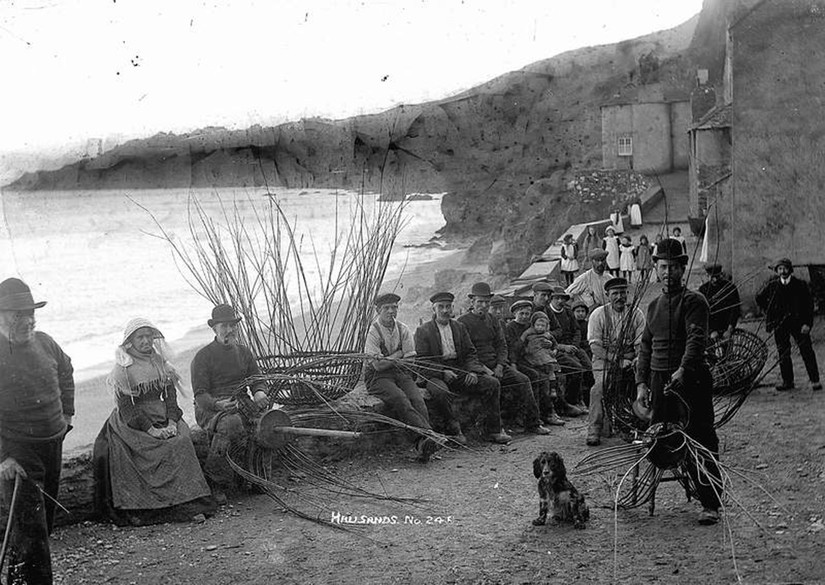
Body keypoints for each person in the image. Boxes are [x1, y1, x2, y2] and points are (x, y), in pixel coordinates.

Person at [635, 239, 723, 525]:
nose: (668, 272)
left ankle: (710, 502)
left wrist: (684, 369)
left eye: (673, 267)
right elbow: (645, 347)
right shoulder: (653, 306)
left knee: (700, 438)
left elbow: (696, 339)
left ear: (683, 268)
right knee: (661, 438)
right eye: (662, 267)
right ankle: (688, 484)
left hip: (691, 379)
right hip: (660, 380)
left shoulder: (695, 301)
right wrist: (641, 384)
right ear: (656, 268)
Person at [94, 319, 214, 525]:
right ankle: (148, 507)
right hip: (134, 421)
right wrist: (151, 430)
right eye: (140, 337)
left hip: (162, 415)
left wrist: (172, 423)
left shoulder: (161, 363)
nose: (146, 341)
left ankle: (188, 501)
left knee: (181, 441)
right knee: (148, 448)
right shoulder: (123, 369)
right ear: (130, 342)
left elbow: (170, 397)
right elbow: (127, 408)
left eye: (149, 336)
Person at [0, 278, 74, 584]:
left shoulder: (45, 342)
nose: (26, 319)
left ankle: (18, 578)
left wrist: (67, 414)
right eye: (17, 314)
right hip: (19, 451)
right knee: (31, 530)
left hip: (53, 442)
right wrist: (3, 457)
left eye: (29, 312)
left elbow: (66, 370)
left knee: (43, 524)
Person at [363, 292, 456, 459]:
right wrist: (399, 354)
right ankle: (427, 437)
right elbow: (377, 365)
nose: (391, 311)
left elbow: (411, 361)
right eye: (386, 308)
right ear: (378, 310)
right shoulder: (372, 332)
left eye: (394, 307)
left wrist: (391, 360)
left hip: (400, 373)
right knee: (400, 398)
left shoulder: (403, 329)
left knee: (417, 399)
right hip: (377, 378)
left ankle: (424, 445)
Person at [190, 304, 269, 499]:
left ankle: (254, 475)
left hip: (241, 402)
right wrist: (218, 405)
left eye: (233, 326)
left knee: (265, 422)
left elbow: (257, 379)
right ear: (214, 328)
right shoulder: (202, 357)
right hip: (210, 407)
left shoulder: (244, 352)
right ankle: (216, 481)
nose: (229, 330)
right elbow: (200, 395)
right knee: (231, 424)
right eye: (224, 326)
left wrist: (259, 393)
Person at [414, 292, 512, 444]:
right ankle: (454, 431)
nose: (445, 310)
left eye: (448, 307)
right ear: (434, 309)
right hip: (435, 373)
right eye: (441, 307)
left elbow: (470, 353)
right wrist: (442, 372)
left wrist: (472, 371)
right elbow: (421, 361)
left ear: (452, 308)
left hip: (459, 369)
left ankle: (493, 430)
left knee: (492, 383)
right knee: (440, 392)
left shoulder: (459, 327)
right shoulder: (423, 331)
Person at [458, 283, 550, 435]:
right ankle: (495, 430)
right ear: (472, 302)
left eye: (486, 302)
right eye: (479, 302)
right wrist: (484, 369)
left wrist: (500, 365)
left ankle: (533, 423)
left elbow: (502, 345)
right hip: (478, 367)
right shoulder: (463, 322)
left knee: (524, 379)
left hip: (496, 364)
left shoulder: (493, 320)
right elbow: (466, 352)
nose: (483, 305)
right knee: (493, 384)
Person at [585, 278, 646, 446]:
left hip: (631, 359)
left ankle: (636, 426)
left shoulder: (636, 313)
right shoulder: (598, 315)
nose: (619, 297)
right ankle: (594, 429)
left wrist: (637, 359)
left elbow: (641, 343)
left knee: (642, 385)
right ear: (607, 295)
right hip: (603, 360)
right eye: (615, 294)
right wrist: (618, 361)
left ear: (627, 293)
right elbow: (595, 347)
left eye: (622, 293)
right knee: (599, 388)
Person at [755, 258, 821, 391]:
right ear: (776, 271)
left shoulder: (800, 285)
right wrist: (769, 313)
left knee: (807, 351)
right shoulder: (772, 285)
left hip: (799, 324)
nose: (783, 271)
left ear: (790, 270)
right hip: (780, 324)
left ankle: (815, 380)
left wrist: (807, 324)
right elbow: (759, 298)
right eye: (780, 269)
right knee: (783, 353)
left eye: (785, 268)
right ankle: (787, 381)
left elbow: (809, 306)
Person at [504, 300, 565, 426]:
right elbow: (512, 349)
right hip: (517, 360)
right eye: (522, 313)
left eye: (527, 314)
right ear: (515, 313)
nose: (525, 316)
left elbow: (544, 337)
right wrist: (514, 363)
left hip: (532, 358)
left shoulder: (531, 325)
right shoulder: (510, 327)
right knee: (536, 377)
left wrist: (548, 344)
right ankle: (533, 416)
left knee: (548, 376)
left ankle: (547, 413)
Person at [544, 287, 593, 415]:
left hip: (572, 346)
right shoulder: (547, 313)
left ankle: (584, 399)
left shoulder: (567, 311)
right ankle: (573, 401)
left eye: (563, 298)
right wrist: (562, 347)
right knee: (576, 368)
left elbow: (576, 330)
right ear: (551, 299)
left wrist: (574, 345)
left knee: (588, 367)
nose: (560, 301)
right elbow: (545, 337)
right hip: (556, 348)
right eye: (557, 298)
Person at [698, 264, 741, 342]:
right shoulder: (703, 290)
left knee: (728, 352)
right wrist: (710, 331)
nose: (715, 280)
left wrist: (729, 330)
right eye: (712, 277)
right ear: (707, 276)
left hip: (726, 326)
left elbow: (735, 310)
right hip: (710, 327)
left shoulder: (730, 288)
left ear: (722, 274)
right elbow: (701, 313)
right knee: (710, 351)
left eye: (717, 277)